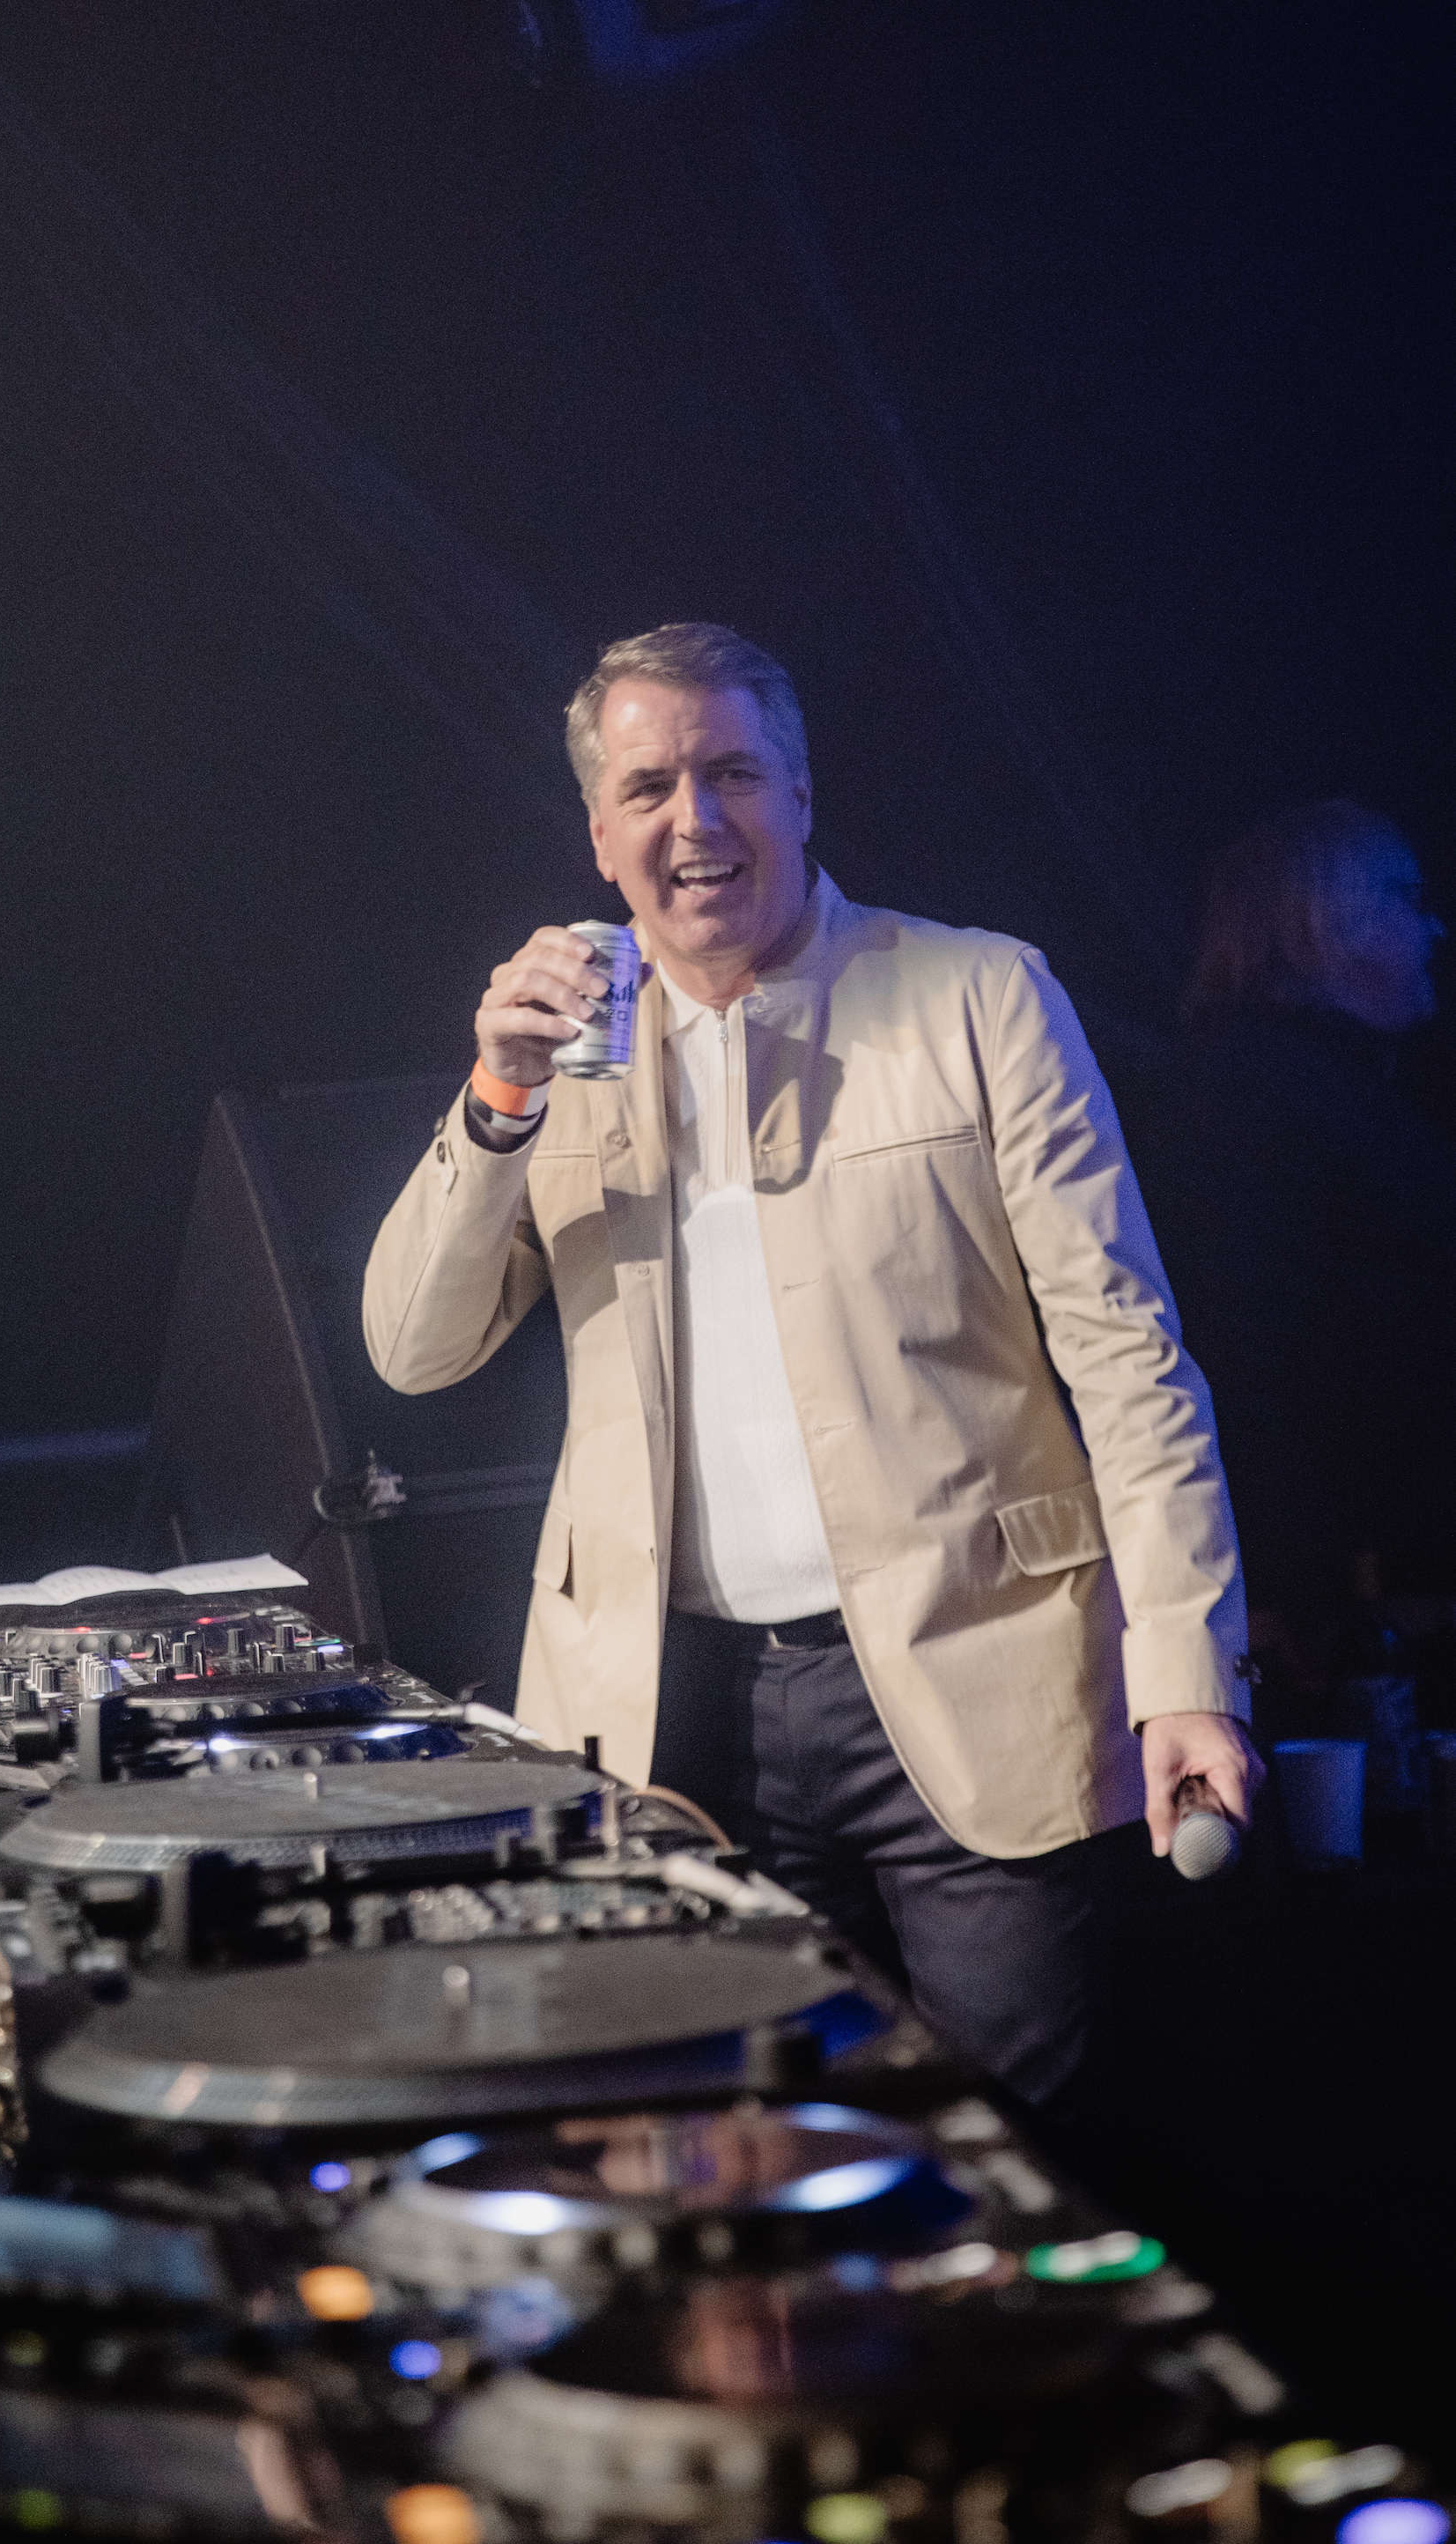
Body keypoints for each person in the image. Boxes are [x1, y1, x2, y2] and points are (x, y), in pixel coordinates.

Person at [363, 623, 1260, 2148]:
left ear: (800, 794)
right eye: (649, 786)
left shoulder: (977, 993)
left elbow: (1126, 1350)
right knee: (733, 2157)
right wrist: (496, 1098)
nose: (694, 821)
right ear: (598, 831)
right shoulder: (566, 1051)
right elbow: (411, 1347)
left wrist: (1184, 1663)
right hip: (673, 1705)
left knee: (1008, 2158)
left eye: (732, 774)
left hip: (977, 1676)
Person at [1122, 801, 1453, 1623]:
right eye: (1404, 900)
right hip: (1354, 1585)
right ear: (1322, 924)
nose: (1434, 930)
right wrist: (1315, 1584)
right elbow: (1248, 1336)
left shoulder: (1327, 1089)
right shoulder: (1251, 1097)